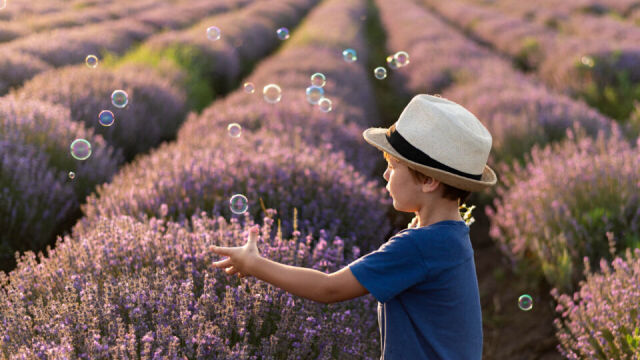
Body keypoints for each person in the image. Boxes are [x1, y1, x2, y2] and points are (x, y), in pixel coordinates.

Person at [209, 94, 497, 359]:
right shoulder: (451, 233)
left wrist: (253, 264)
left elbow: (329, 288)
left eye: (394, 166)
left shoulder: (420, 246)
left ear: (428, 181)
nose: (385, 173)